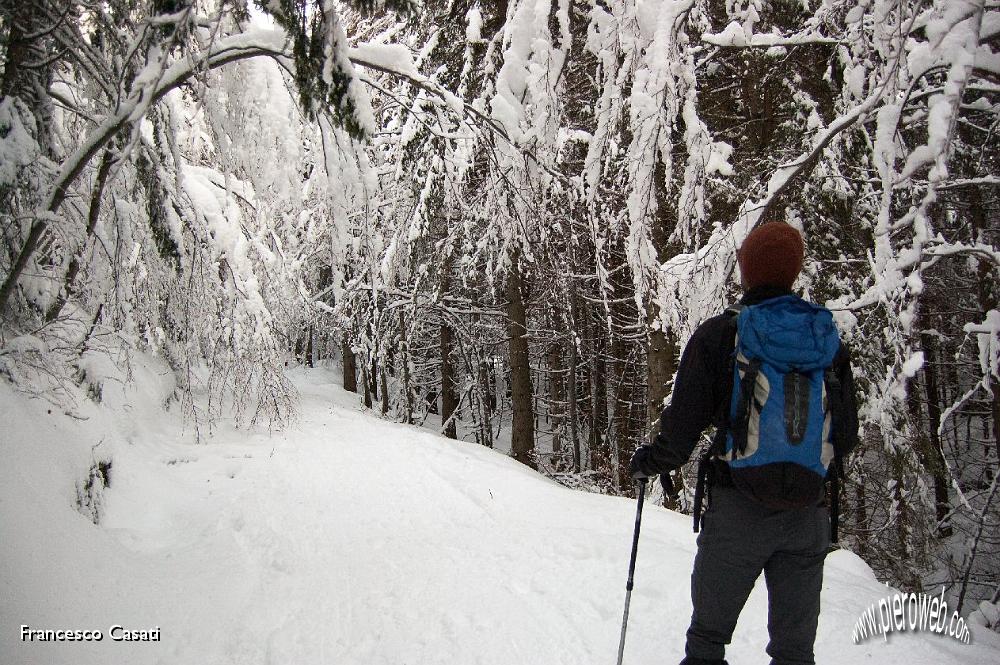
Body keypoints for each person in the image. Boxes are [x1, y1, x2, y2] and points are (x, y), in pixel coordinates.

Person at [629, 222, 859, 665]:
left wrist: (649, 462)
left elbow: (681, 431)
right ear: (794, 271)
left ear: (745, 270)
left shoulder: (721, 335)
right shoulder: (825, 341)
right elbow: (844, 435)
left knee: (707, 642)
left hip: (738, 510)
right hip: (808, 513)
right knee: (794, 654)